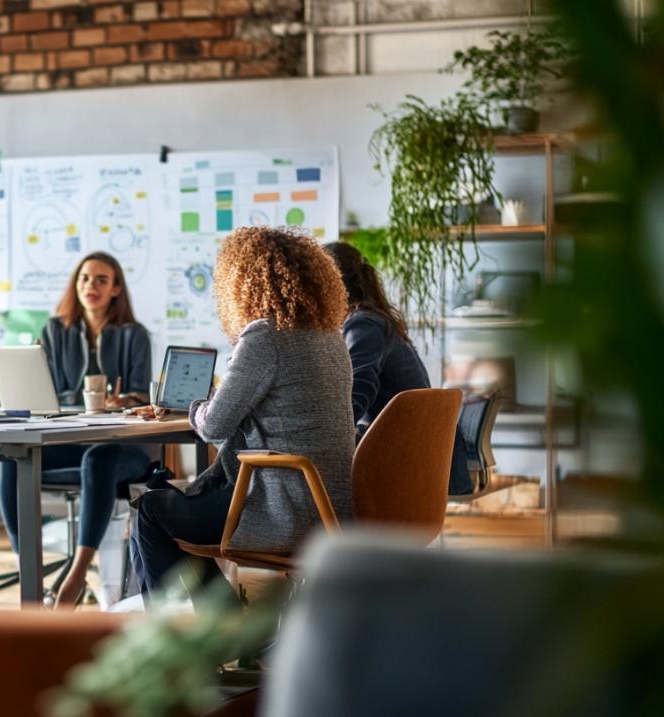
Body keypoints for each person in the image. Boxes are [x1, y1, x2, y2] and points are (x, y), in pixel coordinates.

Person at [129, 227, 354, 600]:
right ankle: (225, 629)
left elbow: (214, 424)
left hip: (283, 509)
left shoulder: (265, 338)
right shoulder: (330, 338)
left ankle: (197, 640)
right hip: (327, 505)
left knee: (151, 509)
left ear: (242, 282)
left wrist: (196, 405)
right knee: (164, 500)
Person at [0, 251, 154, 608]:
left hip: (123, 447)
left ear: (116, 289)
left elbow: (143, 394)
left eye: (102, 280)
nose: (91, 286)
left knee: (99, 459)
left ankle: (78, 572)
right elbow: (46, 391)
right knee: (10, 456)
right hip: (70, 438)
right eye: (85, 278)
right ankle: (29, 569)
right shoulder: (56, 330)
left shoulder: (135, 335)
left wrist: (125, 400)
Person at [323, 242, 471, 494]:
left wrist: (322, 429)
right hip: (417, 446)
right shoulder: (373, 319)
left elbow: (357, 393)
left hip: (405, 452)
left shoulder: (363, 324)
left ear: (332, 285)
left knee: (309, 467)